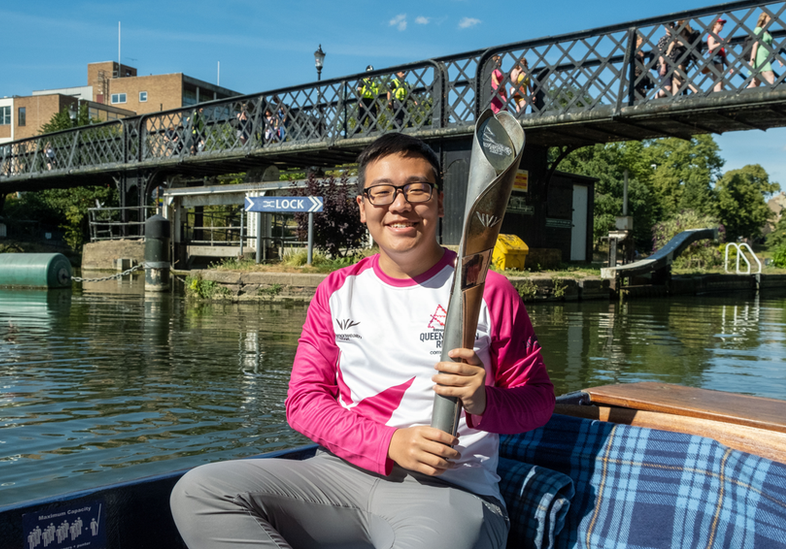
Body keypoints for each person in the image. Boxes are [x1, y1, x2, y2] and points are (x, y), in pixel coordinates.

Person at [170, 133, 556, 549]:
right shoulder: (336, 290)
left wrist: (483, 402)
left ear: (441, 202)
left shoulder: (487, 289)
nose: (400, 204)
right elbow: (303, 402)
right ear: (362, 207)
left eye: (418, 189)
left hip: (450, 492)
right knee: (199, 491)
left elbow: (538, 403)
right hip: (337, 477)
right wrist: (389, 444)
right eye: (382, 191)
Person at [748, 11, 784, 87]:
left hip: (765, 57)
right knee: (771, 76)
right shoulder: (758, 30)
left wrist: (778, 59)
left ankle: (741, 97)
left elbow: (771, 48)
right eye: (769, 17)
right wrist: (752, 60)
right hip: (760, 57)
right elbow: (755, 45)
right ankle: (772, 95)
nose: (771, 18)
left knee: (755, 83)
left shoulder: (768, 32)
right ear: (764, 18)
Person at [706, 18, 729, 92]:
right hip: (716, 58)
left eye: (723, 24)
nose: (722, 26)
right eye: (720, 24)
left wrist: (728, 65)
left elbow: (722, 53)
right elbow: (711, 47)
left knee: (720, 81)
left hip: (719, 58)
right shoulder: (712, 35)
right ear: (715, 25)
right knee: (718, 80)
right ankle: (716, 96)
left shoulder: (717, 36)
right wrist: (722, 42)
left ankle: (717, 94)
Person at [356, 65, 381, 133]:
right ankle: (356, 131)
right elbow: (358, 91)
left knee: (373, 116)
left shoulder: (373, 83)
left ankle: (372, 131)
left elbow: (375, 95)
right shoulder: (362, 81)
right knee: (361, 117)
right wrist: (360, 101)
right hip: (364, 100)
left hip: (371, 101)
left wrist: (378, 105)